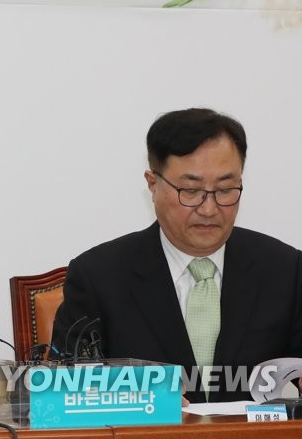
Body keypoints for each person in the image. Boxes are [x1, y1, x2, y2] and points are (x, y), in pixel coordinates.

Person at [53, 108, 302, 402]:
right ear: (152, 184)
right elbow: (64, 391)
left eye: (225, 189)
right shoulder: (98, 277)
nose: (209, 209)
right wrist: (139, 401)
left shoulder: (287, 271)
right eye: (191, 190)